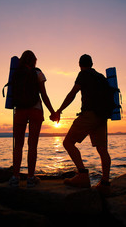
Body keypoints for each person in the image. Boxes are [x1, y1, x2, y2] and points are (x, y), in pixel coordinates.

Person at [51, 54, 111, 195]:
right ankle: (105, 183)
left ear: (80, 64)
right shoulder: (101, 77)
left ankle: (83, 176)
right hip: (102, 117)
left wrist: (59, 110)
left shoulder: (83, 74)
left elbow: (73, 93)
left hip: (89, 114)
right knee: (102, 149)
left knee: (68, 143)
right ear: (92, 63)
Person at [9, 50, 55, 188]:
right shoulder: (37, 73)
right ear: (34, 60)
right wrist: (53, 112)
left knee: (18, 145)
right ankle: (30, 178)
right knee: (32, 145)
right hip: (35, 110)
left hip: (20, 111)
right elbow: (44, 95)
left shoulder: (16, 73)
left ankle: (15, 177)